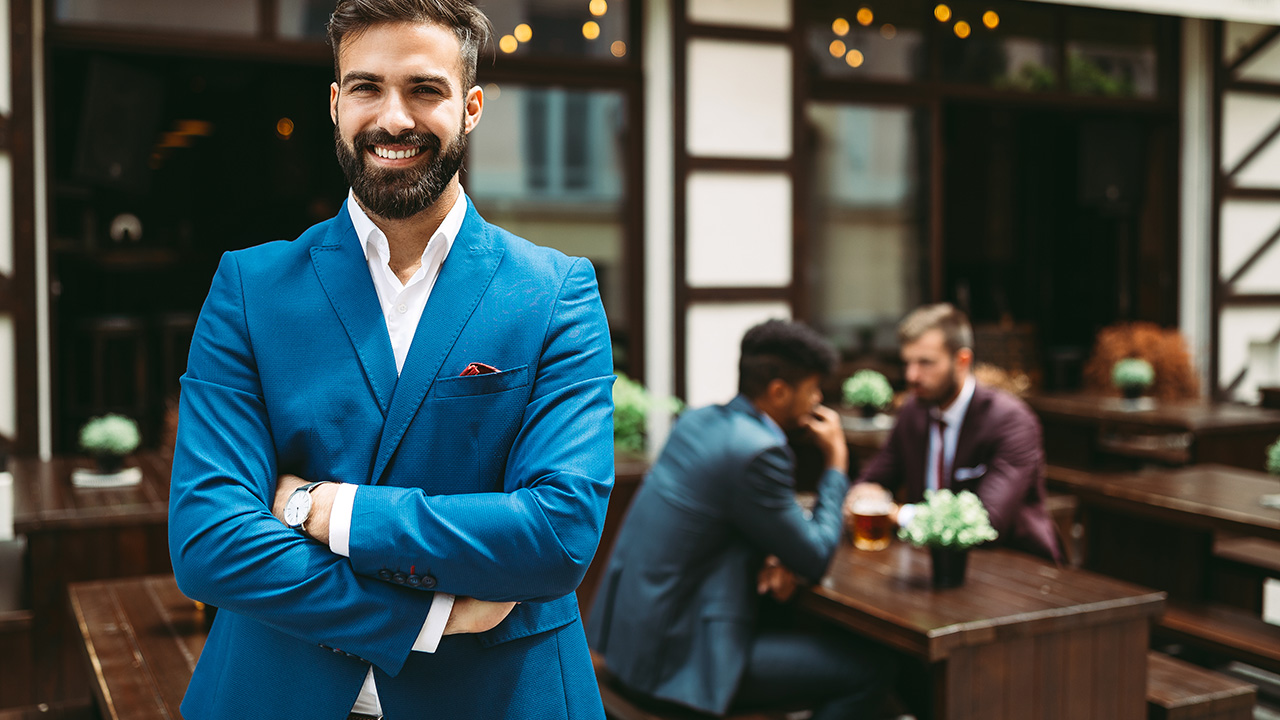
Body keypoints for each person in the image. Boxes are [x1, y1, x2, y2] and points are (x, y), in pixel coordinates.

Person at [167, 2, 614, 718]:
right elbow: (209, 541)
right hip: (276, 688)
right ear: (337, 104)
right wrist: (423, 617)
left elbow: (556, 535)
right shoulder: (250, 289)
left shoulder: (555, 292)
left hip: (499, 694)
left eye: (425, 90)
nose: (394, 118)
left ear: (470, 108)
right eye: (368, 87)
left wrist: (322, 508)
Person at [588, 320, 895, 720]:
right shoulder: (759, 451)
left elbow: (727, 518)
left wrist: (775, 547)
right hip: (678, 663)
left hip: (630, 645)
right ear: (779, 391)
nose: (819, 400)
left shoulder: (698, 421)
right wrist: (836, 462)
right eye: (814, 389)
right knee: (871, 671)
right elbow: (816, 557)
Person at [847, 303, 1060, 562]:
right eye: (908, 363)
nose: (912, 375)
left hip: (1016, 567)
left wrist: (895, 514)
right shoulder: (913, 411)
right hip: (931, 562)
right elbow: (873, 478)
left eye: (925, 363)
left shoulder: (1011, 421)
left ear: (962, 361)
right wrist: (865, 493)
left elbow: (986, 522)